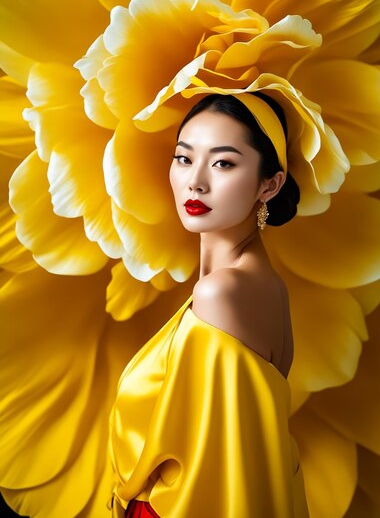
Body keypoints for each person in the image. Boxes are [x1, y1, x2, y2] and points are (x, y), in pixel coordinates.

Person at [108, 92, 310, 517]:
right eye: (184, 158)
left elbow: (209, 476)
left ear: (269, 184)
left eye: (223, 163)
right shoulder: (266, 286)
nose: (195, 181)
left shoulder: (221, 294)